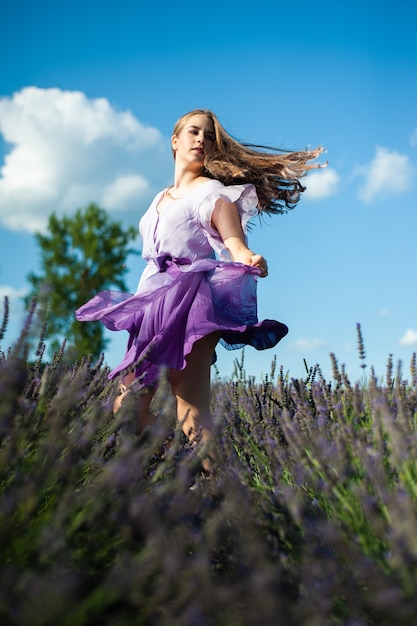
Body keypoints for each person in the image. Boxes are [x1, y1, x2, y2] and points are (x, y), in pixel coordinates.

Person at [75, 109, 324, 458]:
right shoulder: (159, 198)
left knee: (191, 410)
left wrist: (245, 255)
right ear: (174, 141)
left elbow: (233, 240)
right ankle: (175, 464)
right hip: (150, 303)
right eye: (193, 132)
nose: (201, 140)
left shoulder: (211, 193)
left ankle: (216, 491)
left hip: (190, 303)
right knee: (126, 406)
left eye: (208, 137)